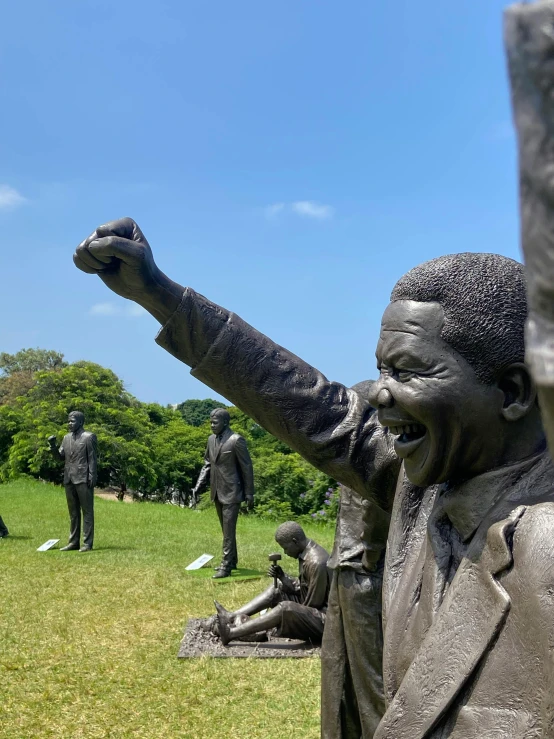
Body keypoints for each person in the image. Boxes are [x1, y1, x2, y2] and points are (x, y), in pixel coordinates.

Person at [74, 219, 554, 737]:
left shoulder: (542, 547)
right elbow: (313, 407)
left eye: (410, 372)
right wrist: (161, 295)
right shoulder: (425, 484)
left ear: (511, 393)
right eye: (382, 371)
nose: (381, 395)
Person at [322, 381, 401, 739]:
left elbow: (374, 516)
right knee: (337, 665)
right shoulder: (355, 454)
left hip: (362, 569)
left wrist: (368, 556)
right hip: (346, 565)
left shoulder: (381, 453)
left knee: (371, 681)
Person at [213, 520, 330, 645]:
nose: (285, 552)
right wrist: (283, 578)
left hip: (325, 621)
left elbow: (313, 605)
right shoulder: (305, 554)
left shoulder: (316, 562)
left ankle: (231, 634)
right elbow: (304, 589)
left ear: (295, 541)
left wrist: (285, 614)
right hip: (312, 607)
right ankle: (232, 616)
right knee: (277, 588)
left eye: (285, 548)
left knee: (285, 608)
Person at [191, 408, 254, 578]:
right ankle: (232, 561)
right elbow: (207, 464)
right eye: (211, 422)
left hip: (232, 492)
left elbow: (246, 467)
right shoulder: (211, 440)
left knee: (228, 530)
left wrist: (249, 493)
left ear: (225, 422)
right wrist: (198, 486)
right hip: (216, 491)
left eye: (215, 422)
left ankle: (225, 566)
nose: (212, 425)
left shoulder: (236, 440)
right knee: (226, 531)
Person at [48, 411, 98, 552]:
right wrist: (53, 446)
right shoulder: (66, 438)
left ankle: (87, 544)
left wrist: (92, 476)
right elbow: (60, 458)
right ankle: (73, 542)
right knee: (73, 513)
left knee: (87, 511)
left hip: (83, 478)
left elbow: (92, 459)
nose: (69, 423)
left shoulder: (89, 437)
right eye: (68, 421)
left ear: (80, 422)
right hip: (69, 478)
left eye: (72, 421)